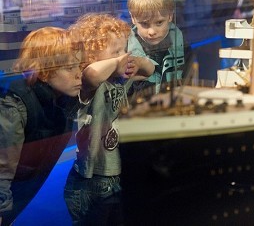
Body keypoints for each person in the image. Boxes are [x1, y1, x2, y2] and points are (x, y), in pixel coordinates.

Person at [63, 13, 154, 226]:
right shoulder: (89, 83)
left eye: (124, 50)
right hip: (91, 179)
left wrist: (133, 61)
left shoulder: (120, 78)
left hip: (116, 175)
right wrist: (117, 62)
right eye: (116, 52)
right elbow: (92, 74)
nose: (123, 56)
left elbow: (150, 69)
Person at [0, 27, 82, 226]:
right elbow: (2, 168)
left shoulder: (61, 98)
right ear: (44, 73)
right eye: (70, 67)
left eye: (79, 66)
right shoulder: (15, 104)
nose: (79, 74)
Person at [127, 0, 192, 94]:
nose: (152, 32)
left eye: (159, 23)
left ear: (170, 16)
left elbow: (188, 86)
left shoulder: (182, 47)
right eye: (144, 24)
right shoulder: (125, 51)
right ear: (133, 18)